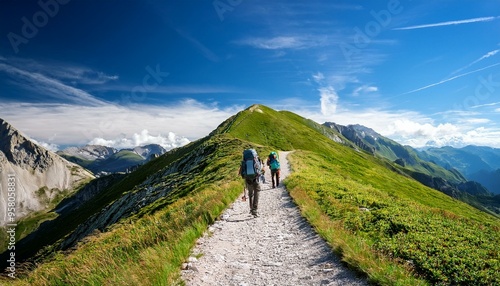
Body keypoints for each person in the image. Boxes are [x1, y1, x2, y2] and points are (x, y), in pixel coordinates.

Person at [238, 149, 262, 217]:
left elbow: (241, 173)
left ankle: (251, 209)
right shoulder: (256, 159)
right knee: (257, 191)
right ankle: (255, 209)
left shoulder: (244, 161)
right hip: (255, 178)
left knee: (250, 193)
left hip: (247, 179)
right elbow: (259, 170)